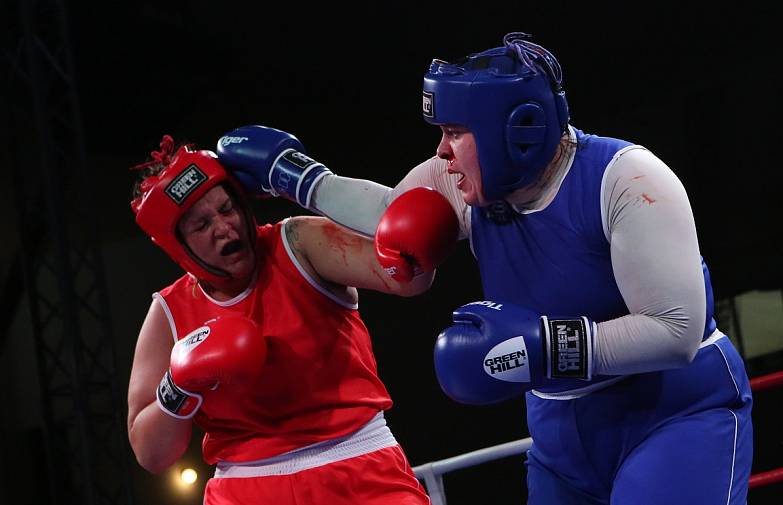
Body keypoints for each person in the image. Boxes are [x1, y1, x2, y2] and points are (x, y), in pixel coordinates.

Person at [214, 32, 753, 505]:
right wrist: (295, 176)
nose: (442, 151)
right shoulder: (461, 183)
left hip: (671, 412)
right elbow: (391, 217)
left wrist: (544, 345)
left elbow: (676, 330)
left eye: (455, 132)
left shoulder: (628, 179)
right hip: (560, 428)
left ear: (514, 130)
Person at [126, 134, 459, 505]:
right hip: (245, 487)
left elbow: (407, 272)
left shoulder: (297, 244)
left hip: (356, 465)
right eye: (201, 226)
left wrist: (305, 182)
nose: (225, 227)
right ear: (179, 246)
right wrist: (179, 385)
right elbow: (151, 455)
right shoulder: (169, 312)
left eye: (226, 208)